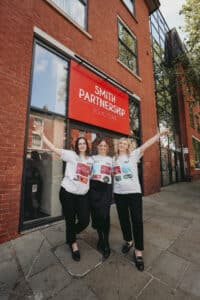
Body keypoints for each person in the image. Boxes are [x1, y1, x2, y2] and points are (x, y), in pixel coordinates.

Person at [34, 124, 93, 262]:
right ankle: (73, 244)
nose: (82, 145)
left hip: (83, 195)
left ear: (87, 145)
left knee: (85, 220)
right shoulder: (71, 155)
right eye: (80, 143)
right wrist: (42, 136)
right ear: (77, 146)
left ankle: (71, 234)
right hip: (68, 193)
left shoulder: (91, 160)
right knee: (70, 220)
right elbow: (54, 149)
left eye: (84, 143)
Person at [113, 128, 169, 271]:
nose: (122, 145)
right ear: (117, 146)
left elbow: (148, 143)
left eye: (125, 143)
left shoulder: (134, 155)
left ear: (128, 145)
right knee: (124, 219)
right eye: (120, 143)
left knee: (137, 221)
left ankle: (138, 252)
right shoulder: (113, 159)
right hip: (119, 194)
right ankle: (129, 241)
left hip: (134, 194)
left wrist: (159, 134)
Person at [89, 139, 113, 259]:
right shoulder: (92, 158)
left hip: (106, 188)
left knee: (105, 215)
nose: (102, 147)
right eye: (100, 145)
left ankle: (106, 243)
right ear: (97, 147)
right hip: (94, 188)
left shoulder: (111, 160)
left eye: (105, 146)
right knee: (97, 215)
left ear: (107, 148)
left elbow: (116, 172)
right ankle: (100, 239)